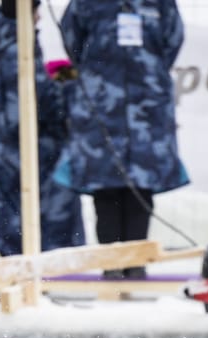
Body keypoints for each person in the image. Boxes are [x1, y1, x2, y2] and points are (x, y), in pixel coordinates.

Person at [57, 0, 188, 280]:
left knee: (141, 185)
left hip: (146, 108)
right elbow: (72, 41)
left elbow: (171, 41)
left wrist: (145, 73)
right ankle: (111, 265)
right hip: (100, 107)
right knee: (105, 186)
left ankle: (136, 263)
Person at [0, 0, 85, 257]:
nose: (39, 18)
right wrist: (70, 87)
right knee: (35, 225)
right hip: (19, 153)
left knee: (16, 220)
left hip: (4, 152)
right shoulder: (17, 46)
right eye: (34, 12)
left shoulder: (8, 43)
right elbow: (36, 104)